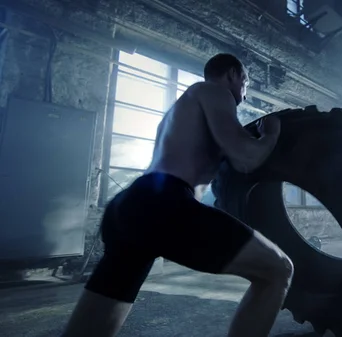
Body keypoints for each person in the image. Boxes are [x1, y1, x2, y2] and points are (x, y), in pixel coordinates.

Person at [62, 53, 294, 337]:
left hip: (131, 206)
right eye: (245, 83)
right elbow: (246, 157)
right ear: (233, 75)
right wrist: (270, 133)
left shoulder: (181, 109)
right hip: (165, 204)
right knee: (278, 270)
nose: (244, 95)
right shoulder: (214, 91)